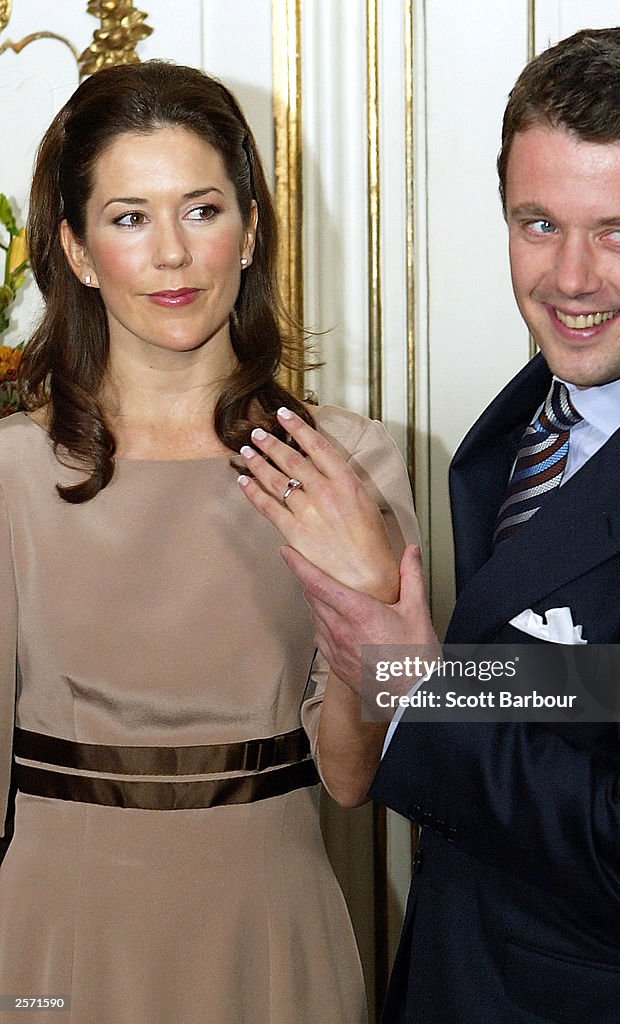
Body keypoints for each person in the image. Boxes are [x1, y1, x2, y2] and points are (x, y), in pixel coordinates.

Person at [241, 26, 620, 1024]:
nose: (568, 280)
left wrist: (416, 686)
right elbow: (589, 695)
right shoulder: (537, 408)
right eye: (536, 223)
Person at [0, 60, 418, 1024]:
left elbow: (351, 780)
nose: (173, 256)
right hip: (54, 932)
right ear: (75, 248)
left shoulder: (344, 461)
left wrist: (365, 608)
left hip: (269, 926)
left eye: (201, 209)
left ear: (251, 227)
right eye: (130, 217)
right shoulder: (15, 476)